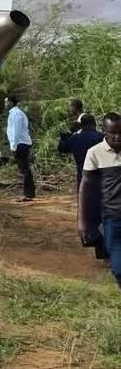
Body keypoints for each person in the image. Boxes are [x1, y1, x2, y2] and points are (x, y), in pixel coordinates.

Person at [78, 113, 121, 289]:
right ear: (105, 131)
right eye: (113, 133)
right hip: (112, 217)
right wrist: (81, 220)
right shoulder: (95, 153)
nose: (118, 137)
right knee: (118, 268)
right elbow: (84, 188)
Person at [58, 113, 104, 189]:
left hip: (82, 177)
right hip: (100, 177)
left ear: (80, 126)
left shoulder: (74, 139)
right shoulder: (102, 138)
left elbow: (61, 148)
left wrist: (70, 132)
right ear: (94, 124)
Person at [5, 94, 35, 202]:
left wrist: (14, 146)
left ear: (11, 103)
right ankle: (28, 193)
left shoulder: (16, 113)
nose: (5, 104)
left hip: (20, 143)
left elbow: (16, 131)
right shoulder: (14, 113)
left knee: (24, 169)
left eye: (6, 102)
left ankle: (28, 194)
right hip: (20, 143)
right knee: (23, 169)